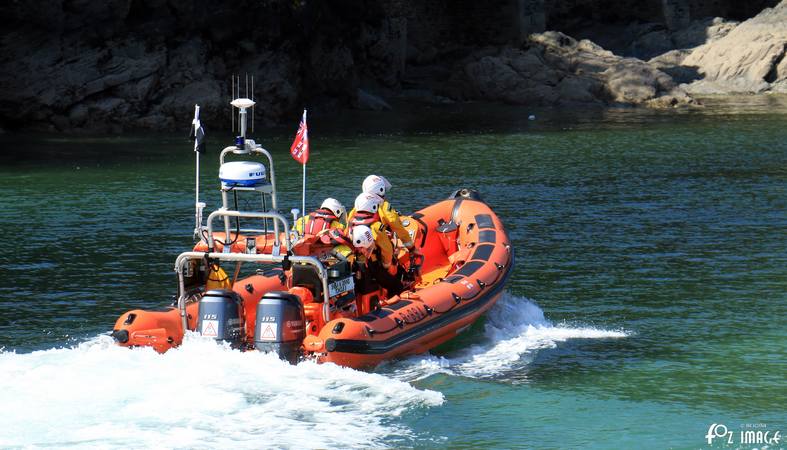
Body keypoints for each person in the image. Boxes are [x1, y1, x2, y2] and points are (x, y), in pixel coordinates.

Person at [347, 175, 418, 254]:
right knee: (390, 257)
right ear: (380, 190)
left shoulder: (357, 207)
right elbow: (397, 226)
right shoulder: (384, 206)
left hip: (358, 246)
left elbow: (348, 228)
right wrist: (412, 248)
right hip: (379, 247)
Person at [350, 224, 403, 296]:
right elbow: (387, 251)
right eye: (363, 248)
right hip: (364, 269)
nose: (364, 251)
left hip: (361, 269)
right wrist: (387, 265)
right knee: (397, 286)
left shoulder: (355, 235)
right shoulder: (372, 232)